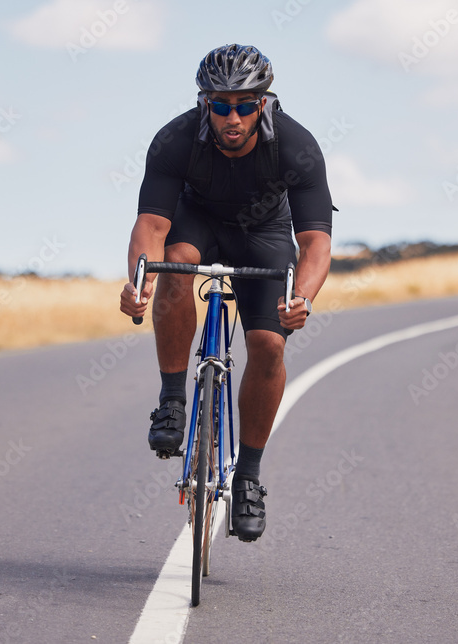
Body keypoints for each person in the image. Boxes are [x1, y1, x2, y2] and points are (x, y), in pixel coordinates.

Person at [119, 44, 334, 542]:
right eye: (219, 104)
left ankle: (249, 478)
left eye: (243, 104)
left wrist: (301, 296)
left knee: (268, 345)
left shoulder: (297, 146)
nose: (231, 116)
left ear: (263, 102)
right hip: (199, 221)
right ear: (204, 105)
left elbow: (316, 242)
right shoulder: (174, 140)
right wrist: (138, 282)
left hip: (265, 232)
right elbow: (151, 226)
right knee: (178, 266)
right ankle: (173, 399)